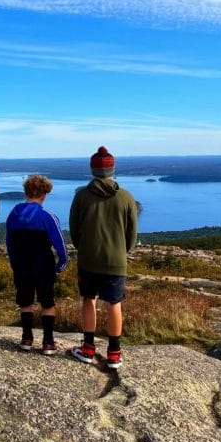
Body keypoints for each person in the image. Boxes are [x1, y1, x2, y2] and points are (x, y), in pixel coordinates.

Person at [69, 146, 138, 369]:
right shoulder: (126, 197)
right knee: (114, 303)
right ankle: (114, 354)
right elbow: (132, 234)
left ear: (92, 169)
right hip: (116, 260)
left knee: (89, 299)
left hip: (89, 259)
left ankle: (88, 349)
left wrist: (84, 248)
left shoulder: (81, 196)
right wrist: (121, 252)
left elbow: (74, 229)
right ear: (112, 169)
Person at [5, 175, 68, 355]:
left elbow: (9, 243)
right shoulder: (47, 216)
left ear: (26, 192)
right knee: (47, 303)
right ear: (43, 194)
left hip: (21, 265)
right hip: (43, 265)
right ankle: (48, 342)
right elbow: (60, 244)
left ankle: (26, 338)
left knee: (25, 301)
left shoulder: (13, 214)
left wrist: (14, 264)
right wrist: (61, 264)